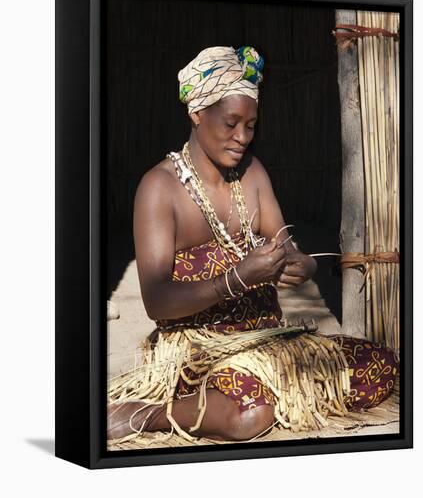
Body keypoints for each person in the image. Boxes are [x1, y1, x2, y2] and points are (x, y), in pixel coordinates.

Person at [107, 45, 399, 444]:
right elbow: (157, 302)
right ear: (197, 112)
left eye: (251, 125)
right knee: (249, 414)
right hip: (200, 350)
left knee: (379, 364)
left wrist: (302, 266)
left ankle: (249, 395)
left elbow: (288, 247)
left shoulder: (252, 173)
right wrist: (237, 279)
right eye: (230, 123)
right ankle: (152, 412)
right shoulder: (160, 188)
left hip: (268, 343)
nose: (242, 137)